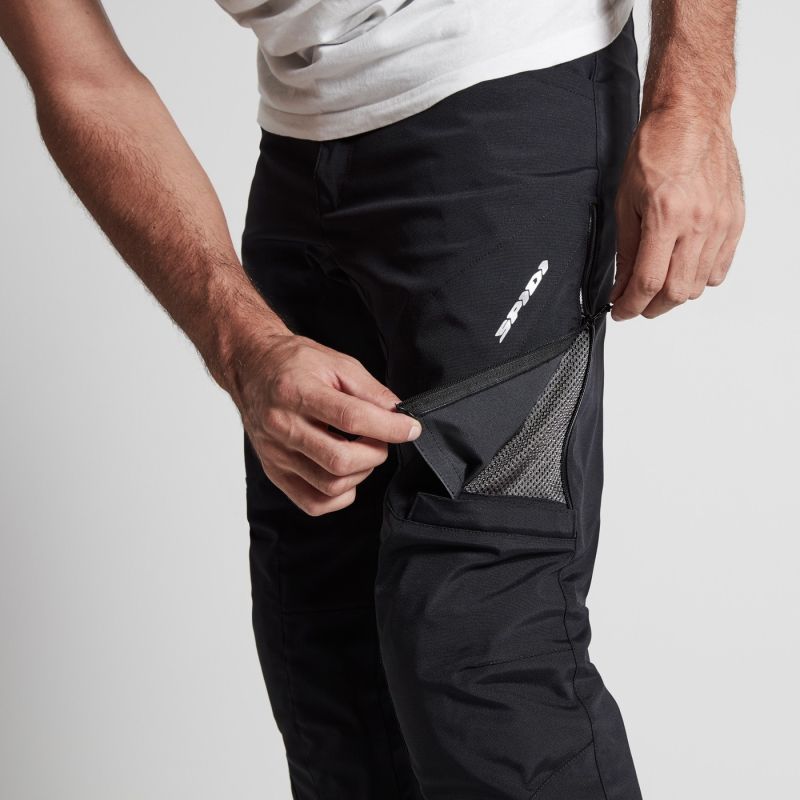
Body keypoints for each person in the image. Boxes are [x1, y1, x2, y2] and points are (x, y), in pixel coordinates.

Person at [1, 1, 744, 797]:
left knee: (478, 647)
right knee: (326, 654)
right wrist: (244, 344)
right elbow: (78, 77)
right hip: (302, 143)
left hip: (503, 92)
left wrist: (691, 102)